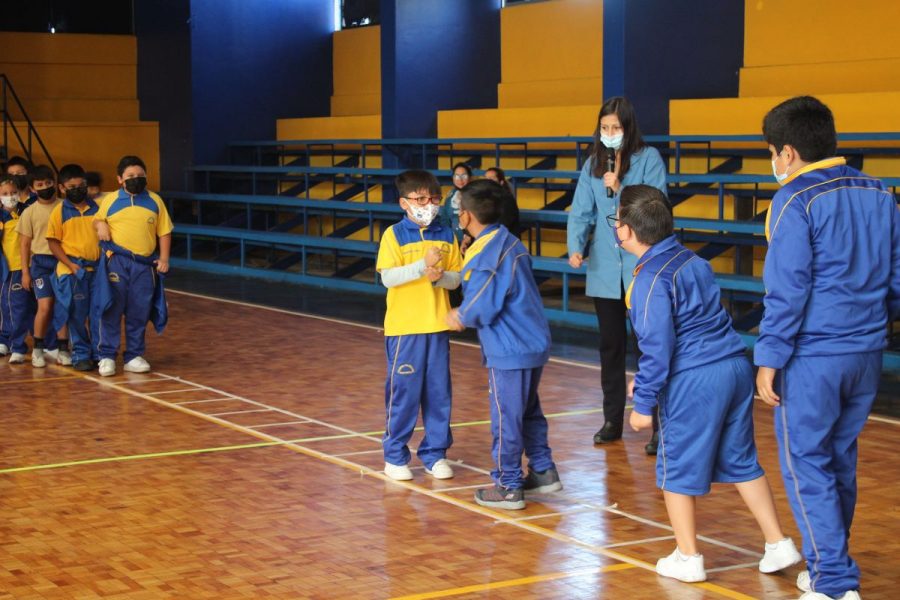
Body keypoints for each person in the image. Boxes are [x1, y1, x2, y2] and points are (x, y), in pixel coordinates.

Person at [754, 96, 900, 600]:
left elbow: (787, 290)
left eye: (772, 152)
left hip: (814, 356)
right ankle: (826, 564)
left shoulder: (794, 200)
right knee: (839, 459)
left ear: (788, 153)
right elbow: (896, 278)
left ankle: (834, 583)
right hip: (867, 353)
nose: (774, 163)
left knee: (805, 464)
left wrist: (769, 358)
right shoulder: (881, 192)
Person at [619, 184, 801, 583]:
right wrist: (648, 381)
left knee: (675, 465)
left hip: (694, 378)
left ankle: (688, 556)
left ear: (626, 231)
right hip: (734, 367)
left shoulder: (650, 277)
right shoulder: (692, 260)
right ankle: (777, 543)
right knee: (741, 460)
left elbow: (659, 343)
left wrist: (644, 403)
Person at [446, 179, 561, 510]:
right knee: (528, 411)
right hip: (530, 343)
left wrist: (460, 315)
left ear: (467, 216)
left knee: (506, 416)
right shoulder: (506, 241)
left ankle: (508, 484)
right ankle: (542, 471)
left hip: (511, 348)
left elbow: (482, 303)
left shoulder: (489, 255)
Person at [566, 96, 667, 454]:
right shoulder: (593, 164)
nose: (610, 134)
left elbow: (656, 203)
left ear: (628, 128)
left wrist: (619, 187)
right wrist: (576, 245)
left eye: (616, 128)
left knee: (650, 346)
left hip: (643, 266)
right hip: (606, 268)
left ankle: (657, 424)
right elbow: (581, 209)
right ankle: (612, 419)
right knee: (611, 347)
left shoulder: (648, 159)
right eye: (604, 128)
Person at [375, 169, 462, 482]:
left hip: (437, 327)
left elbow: (456, 278)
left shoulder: (447, 234)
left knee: (439, 394)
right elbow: (388, 278)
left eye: (434, 198)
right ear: (404, 202)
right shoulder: (393, 235)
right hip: (404, 330)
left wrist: (441, 277)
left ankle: (434, 454)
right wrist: (421, 265)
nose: (429, 204)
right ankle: (395, 455)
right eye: (421, 198)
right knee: (404, 395)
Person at [93, 155, 172, 377]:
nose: (135, 179)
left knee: (139, 309)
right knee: (111, 307)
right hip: (117, 262)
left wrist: (164, 258)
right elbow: (97, 219)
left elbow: (164, 231)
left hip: (145, 265)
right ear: (120, 179)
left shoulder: (155, 201)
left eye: (140, 176)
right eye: (130, 176)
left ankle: (134, 355)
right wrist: (100, 224)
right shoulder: (110, 200)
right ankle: (107, 355)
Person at [46, 164, 101, 372]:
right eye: (72, 186)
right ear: (62, 188)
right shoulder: (59, 211)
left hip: (96, 270)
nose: (78, 189)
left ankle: (100, 353)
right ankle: (80, 353)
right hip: (72, 271)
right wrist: (70, 264)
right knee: (76, 314)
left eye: (82, 185)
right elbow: (53, 243)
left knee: (99, 312)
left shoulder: (97, 209)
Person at [16, 164, 67, 367]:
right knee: (44, 306)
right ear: (33, 189)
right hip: (40, 263)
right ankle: (38, 347)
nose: (45, 186)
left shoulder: (65, 207)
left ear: (55, 184)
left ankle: (63, 348)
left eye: (48, 182)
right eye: (40, 184)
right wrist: (25, 273)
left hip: (62, 261)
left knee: (63, 306)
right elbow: (25, 245)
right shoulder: (29, 212)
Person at [0, 177, 34, 363]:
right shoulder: (1, 216)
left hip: (24, 267)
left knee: (20, 308)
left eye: (13, 193)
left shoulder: (26, 212)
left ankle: (19, 346)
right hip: (7, 268)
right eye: (5, 194)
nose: (10, 197)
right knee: (6, 306)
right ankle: (5, 339)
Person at [438, 162, 472, 245]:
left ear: (470, 177)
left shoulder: (475, 194)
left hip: (473, 240)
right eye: (456, 176)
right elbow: (445, 219)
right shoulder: (450, 195)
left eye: (464, 176)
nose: (460, 180)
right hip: (453, 241)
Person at [484, 167, 520, 234]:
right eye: (486, 178)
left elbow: (503, 226)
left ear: (501, 182)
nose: (488, 182)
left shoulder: (507, 200)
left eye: (492, 179)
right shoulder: (484, 199)